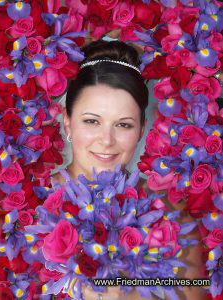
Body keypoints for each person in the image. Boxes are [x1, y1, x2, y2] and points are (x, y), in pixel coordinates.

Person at [52, 40, 206, 300]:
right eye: (91, 121)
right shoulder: (27, 207)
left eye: (123, 125)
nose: (107, 140)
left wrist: (127, 293)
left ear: (141, 130)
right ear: (68, 123)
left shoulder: (172, 218)